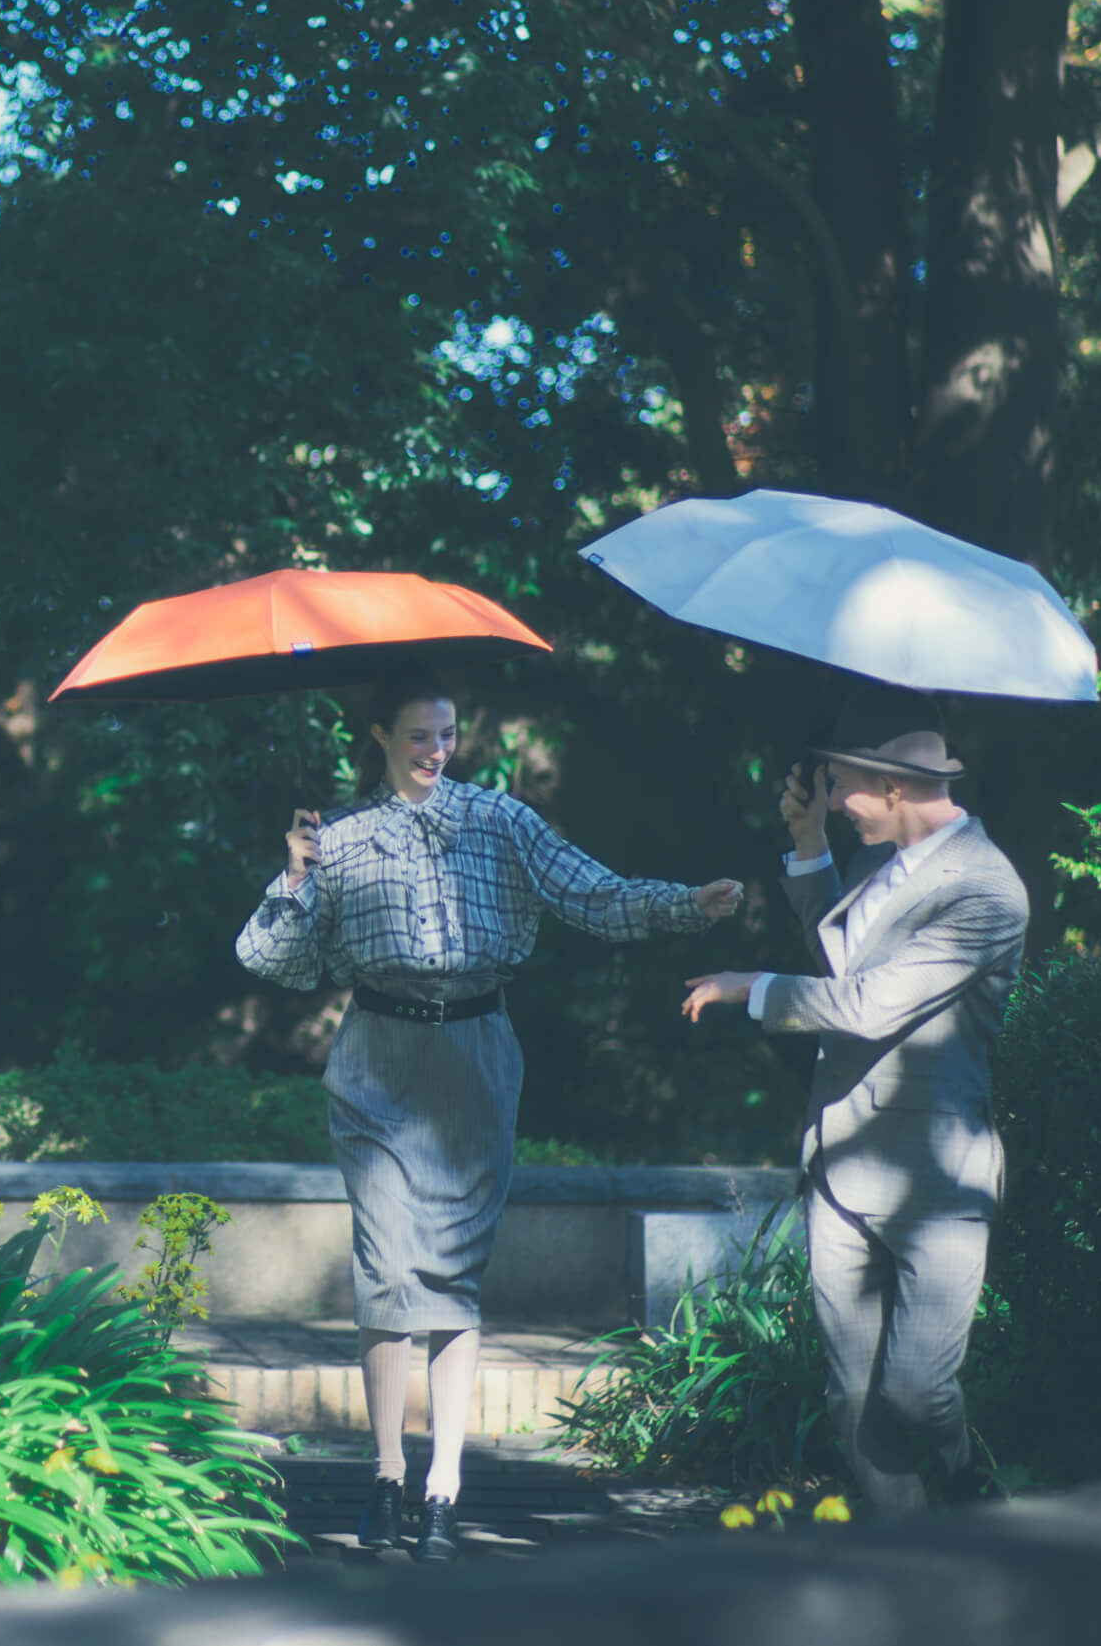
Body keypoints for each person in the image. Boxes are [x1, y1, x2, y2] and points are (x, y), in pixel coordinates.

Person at [237, 669, 742, 1561]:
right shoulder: (338, 835)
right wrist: (294, 871)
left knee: (451, 1278)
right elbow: (272, 960)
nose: (436, 751)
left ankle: (444, 1487)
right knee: (387, 1269)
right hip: (376, 1061)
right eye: (419, 735)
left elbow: (591, 892)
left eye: (446, 734)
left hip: (475, 1056)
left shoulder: (500, 819)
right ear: (380, 733)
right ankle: (388, 1471)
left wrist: (684, 905)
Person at [678, 689, 1026, 1516]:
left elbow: (868, 1003)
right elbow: (841, 962)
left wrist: (750, 986)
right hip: (838, 1168)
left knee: (916, 1393)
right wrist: (808, 846)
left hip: (936, 1181)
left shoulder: (989, 890)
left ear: (894, 788)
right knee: (853, 1406)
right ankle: (906, 1579)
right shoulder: (880, 864)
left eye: (841, 788)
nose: (833, 801)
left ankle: (974, 1493)